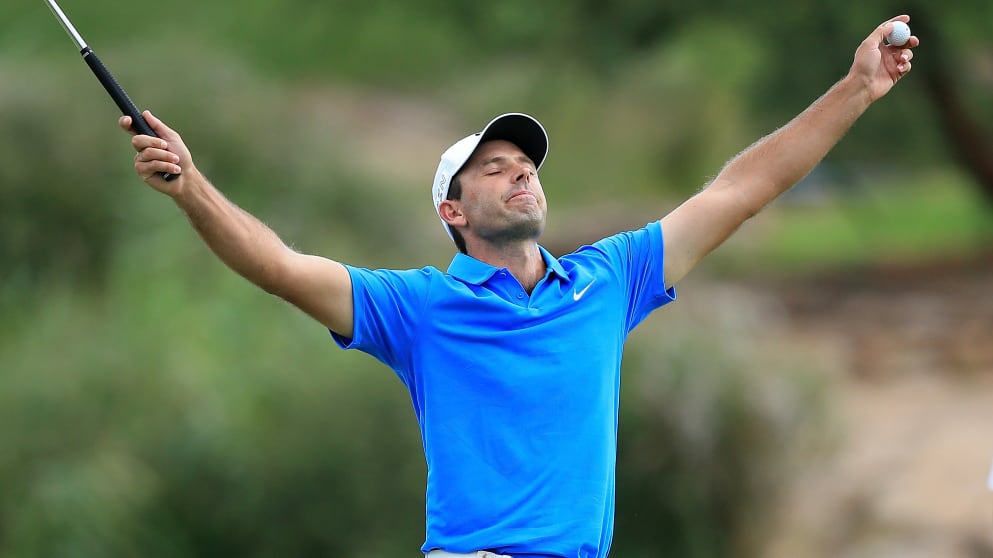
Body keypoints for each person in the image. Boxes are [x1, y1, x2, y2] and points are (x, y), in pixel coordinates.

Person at [120, 16, 918, 558]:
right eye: (494, 170)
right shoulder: (419, 309)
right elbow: (280, 266)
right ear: (451, 209)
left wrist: (855, 88)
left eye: (526, 165)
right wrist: (192, 187)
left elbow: (737, 190)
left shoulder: (608, 281)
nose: (520, 175)